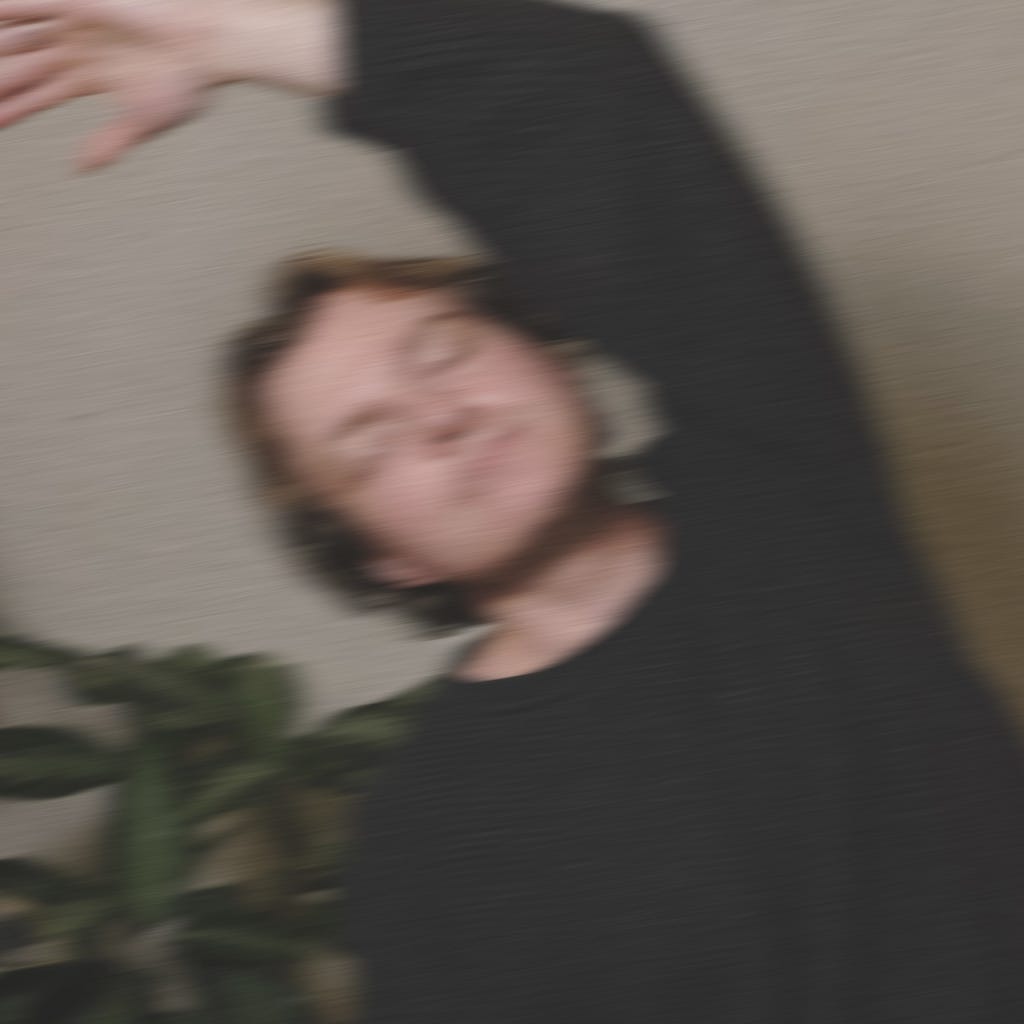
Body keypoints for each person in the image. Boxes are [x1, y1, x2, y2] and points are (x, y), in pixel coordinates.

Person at [3, 0, 1024, 1021]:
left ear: (550, 350)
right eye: (371, 442)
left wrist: (243, 39)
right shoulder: (431, 840)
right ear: (385, 557)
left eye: (441, 350)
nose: (440, 416)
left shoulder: (782, 501)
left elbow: (589, 97)